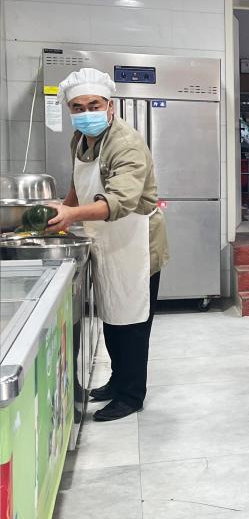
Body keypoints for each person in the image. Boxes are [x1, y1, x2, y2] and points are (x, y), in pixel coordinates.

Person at [48, 68, 168, 422]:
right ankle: (117, 382)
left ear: (110, 106)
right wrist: (65, 208)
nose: (86, 113)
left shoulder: (125, 143)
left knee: (132, 323)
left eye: (94, 105)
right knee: (113, 318)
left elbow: (121, 201)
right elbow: (78, 181)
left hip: (135, 243)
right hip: (105, 238)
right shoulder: (80, 140)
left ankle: (131, 395)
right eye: (78, 107)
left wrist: (71, 215)